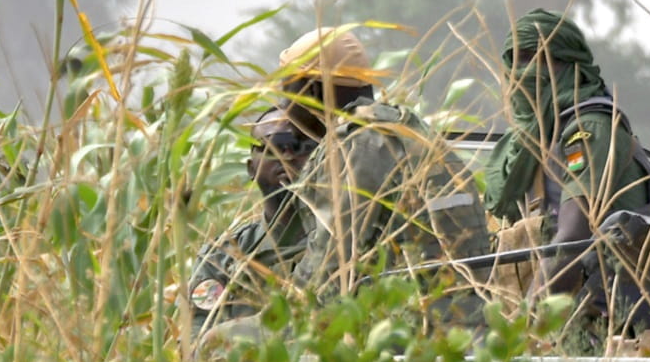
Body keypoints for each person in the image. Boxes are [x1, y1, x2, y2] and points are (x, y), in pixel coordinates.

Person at [277, 24, 494, 328]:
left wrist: (264, 325)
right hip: (466, 326)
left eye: (285, 94)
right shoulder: (410, 131)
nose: (282, 110)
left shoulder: (353, 147)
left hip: (409, 337)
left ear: (313, 92)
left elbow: (325, 279)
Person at [481, 8, 650, 299]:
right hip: (557, 303)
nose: (524, 73)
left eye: (539, 60)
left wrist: (528, 320)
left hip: (602, 309)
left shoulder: (589, 128)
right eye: (517, 61)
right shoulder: (531, 141)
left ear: (569, 65)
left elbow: (573, 237)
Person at [186, 107, 314, 334]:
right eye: (273, 146)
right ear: (251, 167)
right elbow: (197, 340)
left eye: (301, 145)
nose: (287, 156)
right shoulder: (220, 258)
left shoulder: (344, 243)